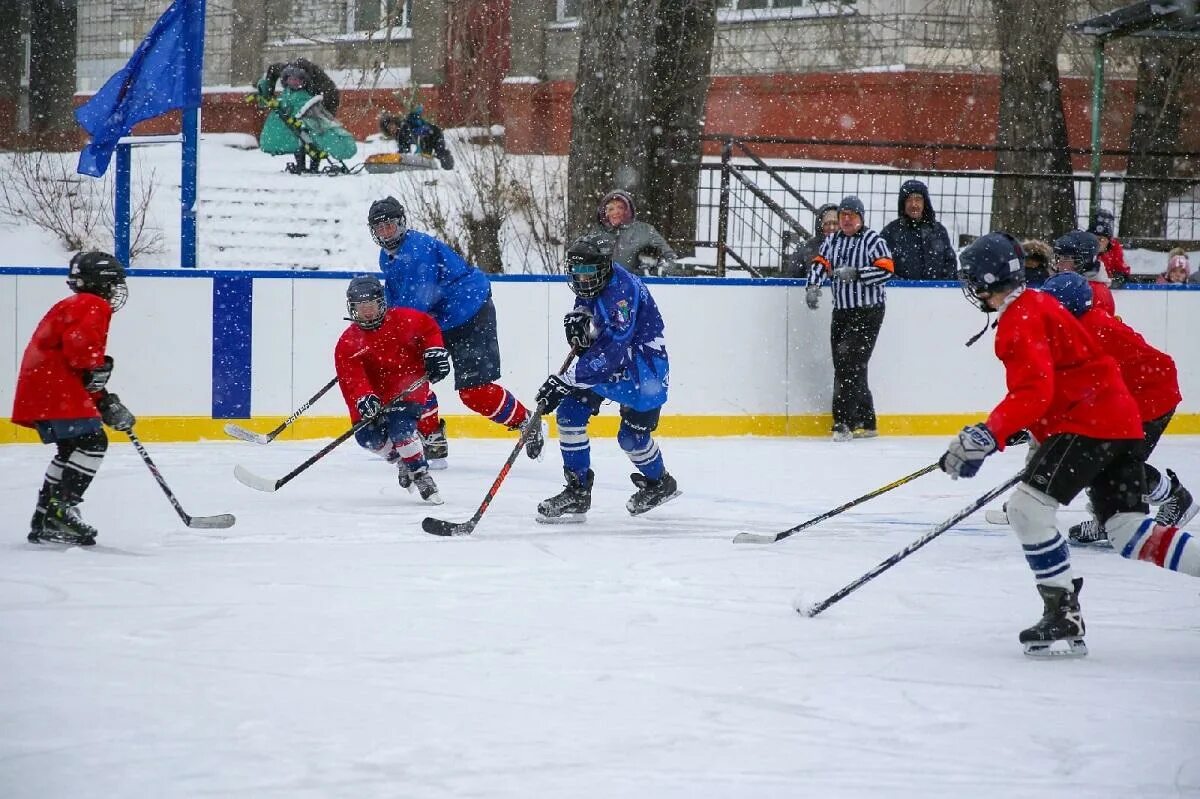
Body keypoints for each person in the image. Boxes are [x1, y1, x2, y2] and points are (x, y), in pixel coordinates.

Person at [939, 232, 1199, 658]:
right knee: (1129, 532)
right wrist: (1011, 430)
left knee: (1027, 509)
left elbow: (1035, 391)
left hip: (1090, 422)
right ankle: (1064, 612)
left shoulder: (1020, 318)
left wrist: (989, 434)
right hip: (1119, 420)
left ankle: (1062, 612)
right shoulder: (1038, 305)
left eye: (972, 280)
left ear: (986, 281)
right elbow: (1055, 384)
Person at [368, 196, 544, 462]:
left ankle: (527, 422)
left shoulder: (417, 251)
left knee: (474, 393)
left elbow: (416, 305)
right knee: (408, 379)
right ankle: (431, 436)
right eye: (379, 228)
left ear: (402, 223)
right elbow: (397, 304)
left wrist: (395, 340)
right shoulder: (387, 257)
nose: (384, 233)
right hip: (433, 322)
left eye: (389, 226)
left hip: (469, 315)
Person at [1040, 271, 1197, 546]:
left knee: (1114, 464)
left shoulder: (1091, 331)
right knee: (1098, 460)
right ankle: (1110, 518)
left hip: (1151, 396)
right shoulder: (1075, 327)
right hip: (1130, 395)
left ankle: (1175, 498)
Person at [533, 233, 678, 523]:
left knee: (632, 438)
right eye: (577, 273)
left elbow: (612, 351)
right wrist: (580, 315)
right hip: (610, 362)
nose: (582, 280)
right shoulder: (595, 281)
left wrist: (566, 380)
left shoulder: (622, 293)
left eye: (588, 273)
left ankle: (660, 483)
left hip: (642, 369)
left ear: (604, 267)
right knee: (570, 413)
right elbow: (588, 304)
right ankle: (577, 491)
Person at [10, 251, 135, 546]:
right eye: (113, 282)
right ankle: (61, 510)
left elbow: (75, 361)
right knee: (93, 443)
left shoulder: (72, 303)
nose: (117, 289)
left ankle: (44, 517)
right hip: (57, 388)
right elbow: (81, 355)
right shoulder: (93, 304)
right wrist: (100, 369)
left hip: (43, 386)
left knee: (70, 449)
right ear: (101, 282)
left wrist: (103, 398)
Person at [336, 275, 450, 504]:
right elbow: (351, 378)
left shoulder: (404, 319)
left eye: (371, 306)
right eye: (361, 307)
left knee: (401, 431)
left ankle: (421, 474)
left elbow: (429, 328)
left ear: (382, 303)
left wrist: (434, 350)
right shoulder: (347, 343)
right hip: (374, 393)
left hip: (407, 385)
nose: (367, 312)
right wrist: (363, 397)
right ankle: (402, 461)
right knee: (367, 437)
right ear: (352, 308)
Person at [804, 195, 894, 441]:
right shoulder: (832, 241)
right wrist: (812, 286)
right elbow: (820, 263)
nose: (845, 220)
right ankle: (867, 421)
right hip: (842, 311)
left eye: (851, 215)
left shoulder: (873, 240)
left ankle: (843, 422)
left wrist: (857, 273)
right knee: (847, 364)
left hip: (869, 311)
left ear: (860, 218)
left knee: (849, 362)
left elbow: (886, 270)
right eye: (842, 215)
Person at [256, 58, 343, 175]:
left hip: (320, 109)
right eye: (291, 79)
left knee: (315, 139)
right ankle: (301, 165)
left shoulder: (319, 84)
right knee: (298, 139)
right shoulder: (284, 70)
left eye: (297, 80)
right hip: (299, 115)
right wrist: (269, 91)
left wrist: (323, 118)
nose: (294, 82)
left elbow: (328, 100)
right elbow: (272, 70)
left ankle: (314, 166)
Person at [879, 179, 957, 280]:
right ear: (903, 204)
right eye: (909, 200)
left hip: (936, 293)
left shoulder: (939, 231)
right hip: (899, 293)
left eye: (918, 199)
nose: (914, 204)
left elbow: (950, 264)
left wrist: (941, 286)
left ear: (925, 203)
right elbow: (881, 268)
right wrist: (902, 286)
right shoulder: (890, 232)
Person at [591, 190, 678, 276]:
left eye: (620, 207)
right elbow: (584, 263)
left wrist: (655, 270)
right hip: (605, 286)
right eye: (611, 209)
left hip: (639, 285)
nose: (615, 212)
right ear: (604, 213)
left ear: (627, 210)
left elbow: (671, 258)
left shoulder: (646, 231)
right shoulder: (596, 233)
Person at [1051, 230, 1115, 314]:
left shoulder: (1095, 293)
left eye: (1066, 258)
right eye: (1058, 257)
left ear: (1083, 261)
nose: (1059, 263)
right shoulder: (1064, 283)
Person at [378, 105, 454, 170]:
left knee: (440, 154)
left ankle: (449, 169)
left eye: (391, 126)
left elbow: (406, 148)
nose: (391, 129)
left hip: (433, 134)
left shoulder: (404, 127)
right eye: (389, 129)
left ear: (395, 122)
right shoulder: (399, 134)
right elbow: (404, 149)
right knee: (429, 159)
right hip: (427, 137)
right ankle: (441, 168)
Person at [784, 203, 838, 279]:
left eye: (835, 223)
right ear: (820, 225)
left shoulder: (849, 247)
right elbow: (792, 279)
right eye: (827, 223)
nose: (831, 227)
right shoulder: (805, 248)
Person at [1089, 209, 1130, 286]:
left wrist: (1115, 281)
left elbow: (1123, 271)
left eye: (1102, 239)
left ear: (1108, 240)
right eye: (1095, 238)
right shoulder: (1083, 248)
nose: (1098, 242)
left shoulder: (1115, 248)